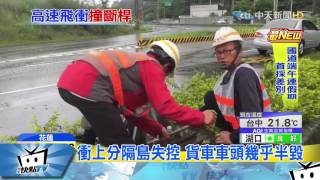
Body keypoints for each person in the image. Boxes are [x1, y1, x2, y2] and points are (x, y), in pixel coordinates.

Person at [57, 40, 217, 145]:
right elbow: (165, 107)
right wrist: (202, 116)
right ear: (167, 65)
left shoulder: (132, 68)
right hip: (89, 87)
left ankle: (88, 160)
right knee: (121, 143)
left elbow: (130, 113)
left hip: (69, 83)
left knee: (102, 128)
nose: (164, 77)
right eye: (167, 73)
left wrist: (157, 129)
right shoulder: (151, 66)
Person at [201, 27, 272, 144]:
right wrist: (195, 116)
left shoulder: (244, 75)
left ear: (240, 51)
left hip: (253, 142)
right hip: (237, 129)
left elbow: (254, 122)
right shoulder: (229, 73)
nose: (222, 56)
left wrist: (233, 138)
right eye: (218, 52)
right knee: (209, 97)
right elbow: (217, 100)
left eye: (227, 51)